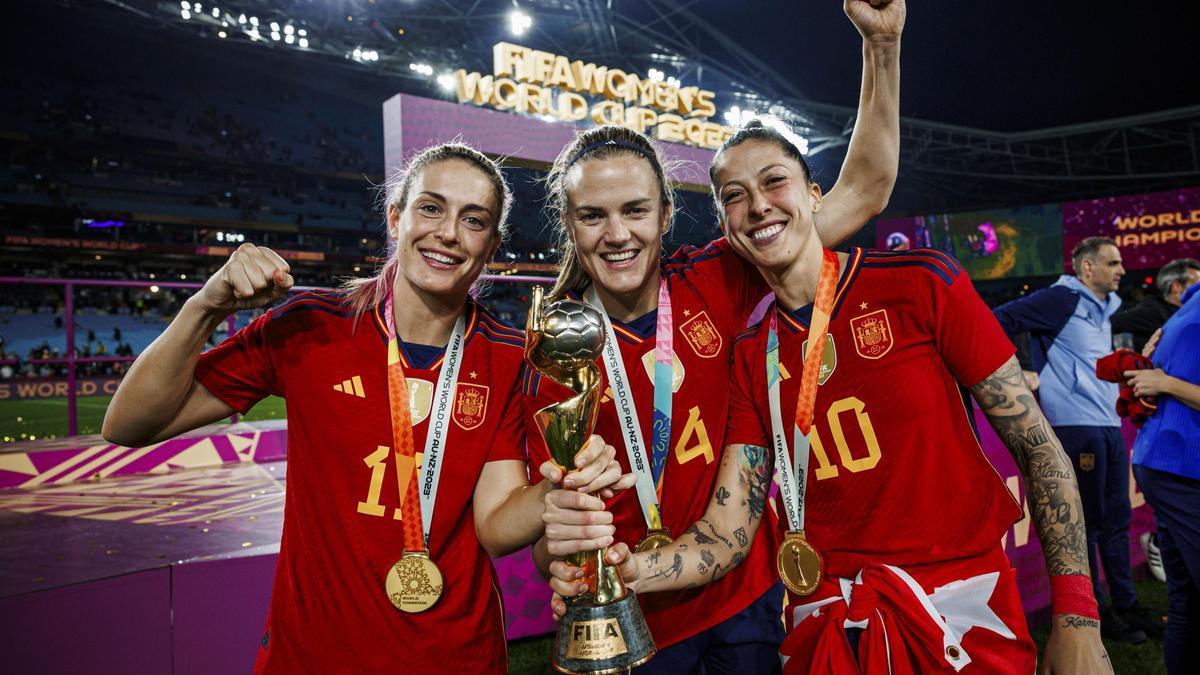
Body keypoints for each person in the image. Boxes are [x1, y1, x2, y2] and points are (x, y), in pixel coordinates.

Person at [546, 117, 1114, 673]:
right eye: (735, 195)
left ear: (815, 195)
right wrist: (624, 573)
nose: (759, 205)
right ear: (725, 224)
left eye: (774, 181)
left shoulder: (921, 282)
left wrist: (1077, 617)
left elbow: (1040, 449)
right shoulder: (750, 354)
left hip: (960, 611)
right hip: (827, 624)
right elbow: (725, 531)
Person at [103, 142, 631, 673]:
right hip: (311, 658)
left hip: (455, 656)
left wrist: (561, 488)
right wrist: (205, 306)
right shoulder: (310, 327)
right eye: (431, 208)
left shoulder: (506, 355)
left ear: (491, 245)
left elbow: (494, 526)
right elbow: (128, 424)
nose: (449, 232)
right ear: (396, 217)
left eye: (473, 220)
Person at [529, 2, 902, 671]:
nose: (618, 235)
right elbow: (546, 523)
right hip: (632, 620)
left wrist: (881, 46)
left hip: (743, 600)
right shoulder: (554, 349)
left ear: (666, 214)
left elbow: (865, 190)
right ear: (569, 222)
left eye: (636, 210)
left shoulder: (717, 279)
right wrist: (559, 560)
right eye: (593, 216)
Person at [993, 237, 1162, 642]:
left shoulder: (1105, 306)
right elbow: (999, 320)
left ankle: (1126, 605)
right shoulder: (1061, 298)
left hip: (1108, 424)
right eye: (1113, 263)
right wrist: (1017, 370)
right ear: (1087, 267)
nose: (1122, 270)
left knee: (1116, 519)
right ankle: (1095, 615)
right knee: (1085, 526)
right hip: (1074, 426)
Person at [1127, 281, 1200, 674]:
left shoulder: (1185, 309)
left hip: (1167, 462)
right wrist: (1166, 382)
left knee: (1186, 602)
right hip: (1180, 466)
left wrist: (1159, 375)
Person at [1112, 258, 1200, 353]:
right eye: (1197, 285)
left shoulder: (1185, 312)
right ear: (1176, 287)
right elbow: (1111, 323)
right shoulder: (1152, 311)